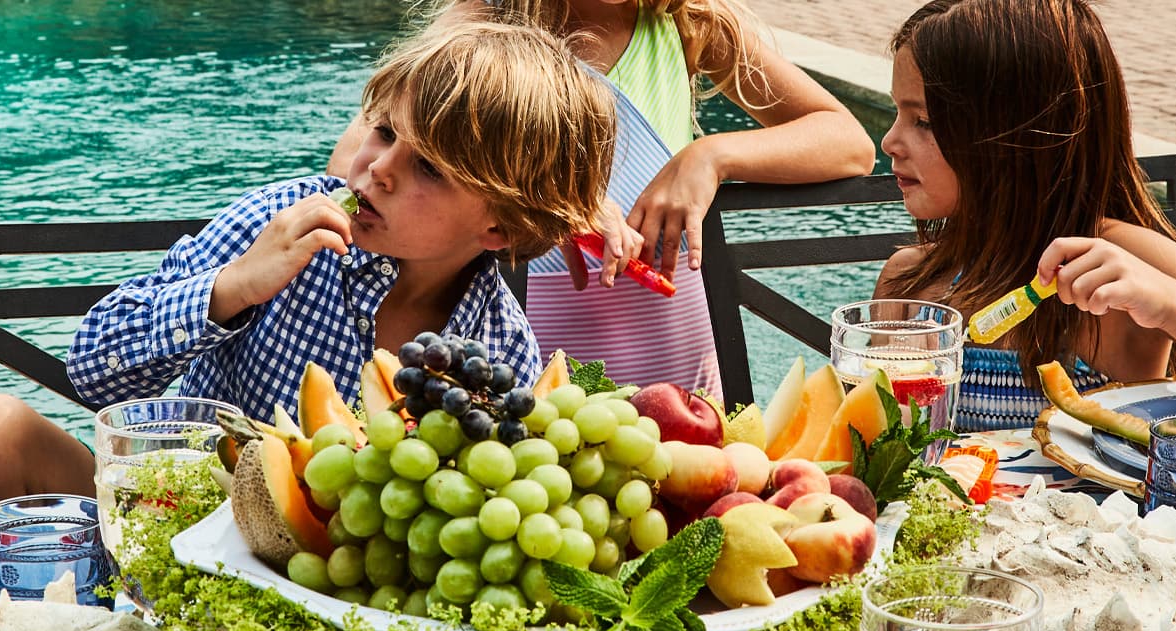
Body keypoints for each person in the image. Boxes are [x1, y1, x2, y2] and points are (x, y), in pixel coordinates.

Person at [0, 21, 616, 529]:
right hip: (170, 519)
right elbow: (92, 372)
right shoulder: (280, 220)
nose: (378, 168)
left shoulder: (501, 351)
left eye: (429, 168)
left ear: (498, 229)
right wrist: (235, 287)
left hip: (325, 581)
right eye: (383, 132)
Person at [328, 0, 872, 396]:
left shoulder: (691, 24)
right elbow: (351, 167)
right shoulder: (484, 23)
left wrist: (709, 156)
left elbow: (848, 145)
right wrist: (556, 201)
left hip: (676, 345)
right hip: (527, 353)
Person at [879, 0, 1176, 432]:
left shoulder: (1121, 263)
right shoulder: (909, 283)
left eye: (923, 121)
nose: (890, 141)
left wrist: (1165, 300)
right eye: (898, 114)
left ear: (1013, 138)